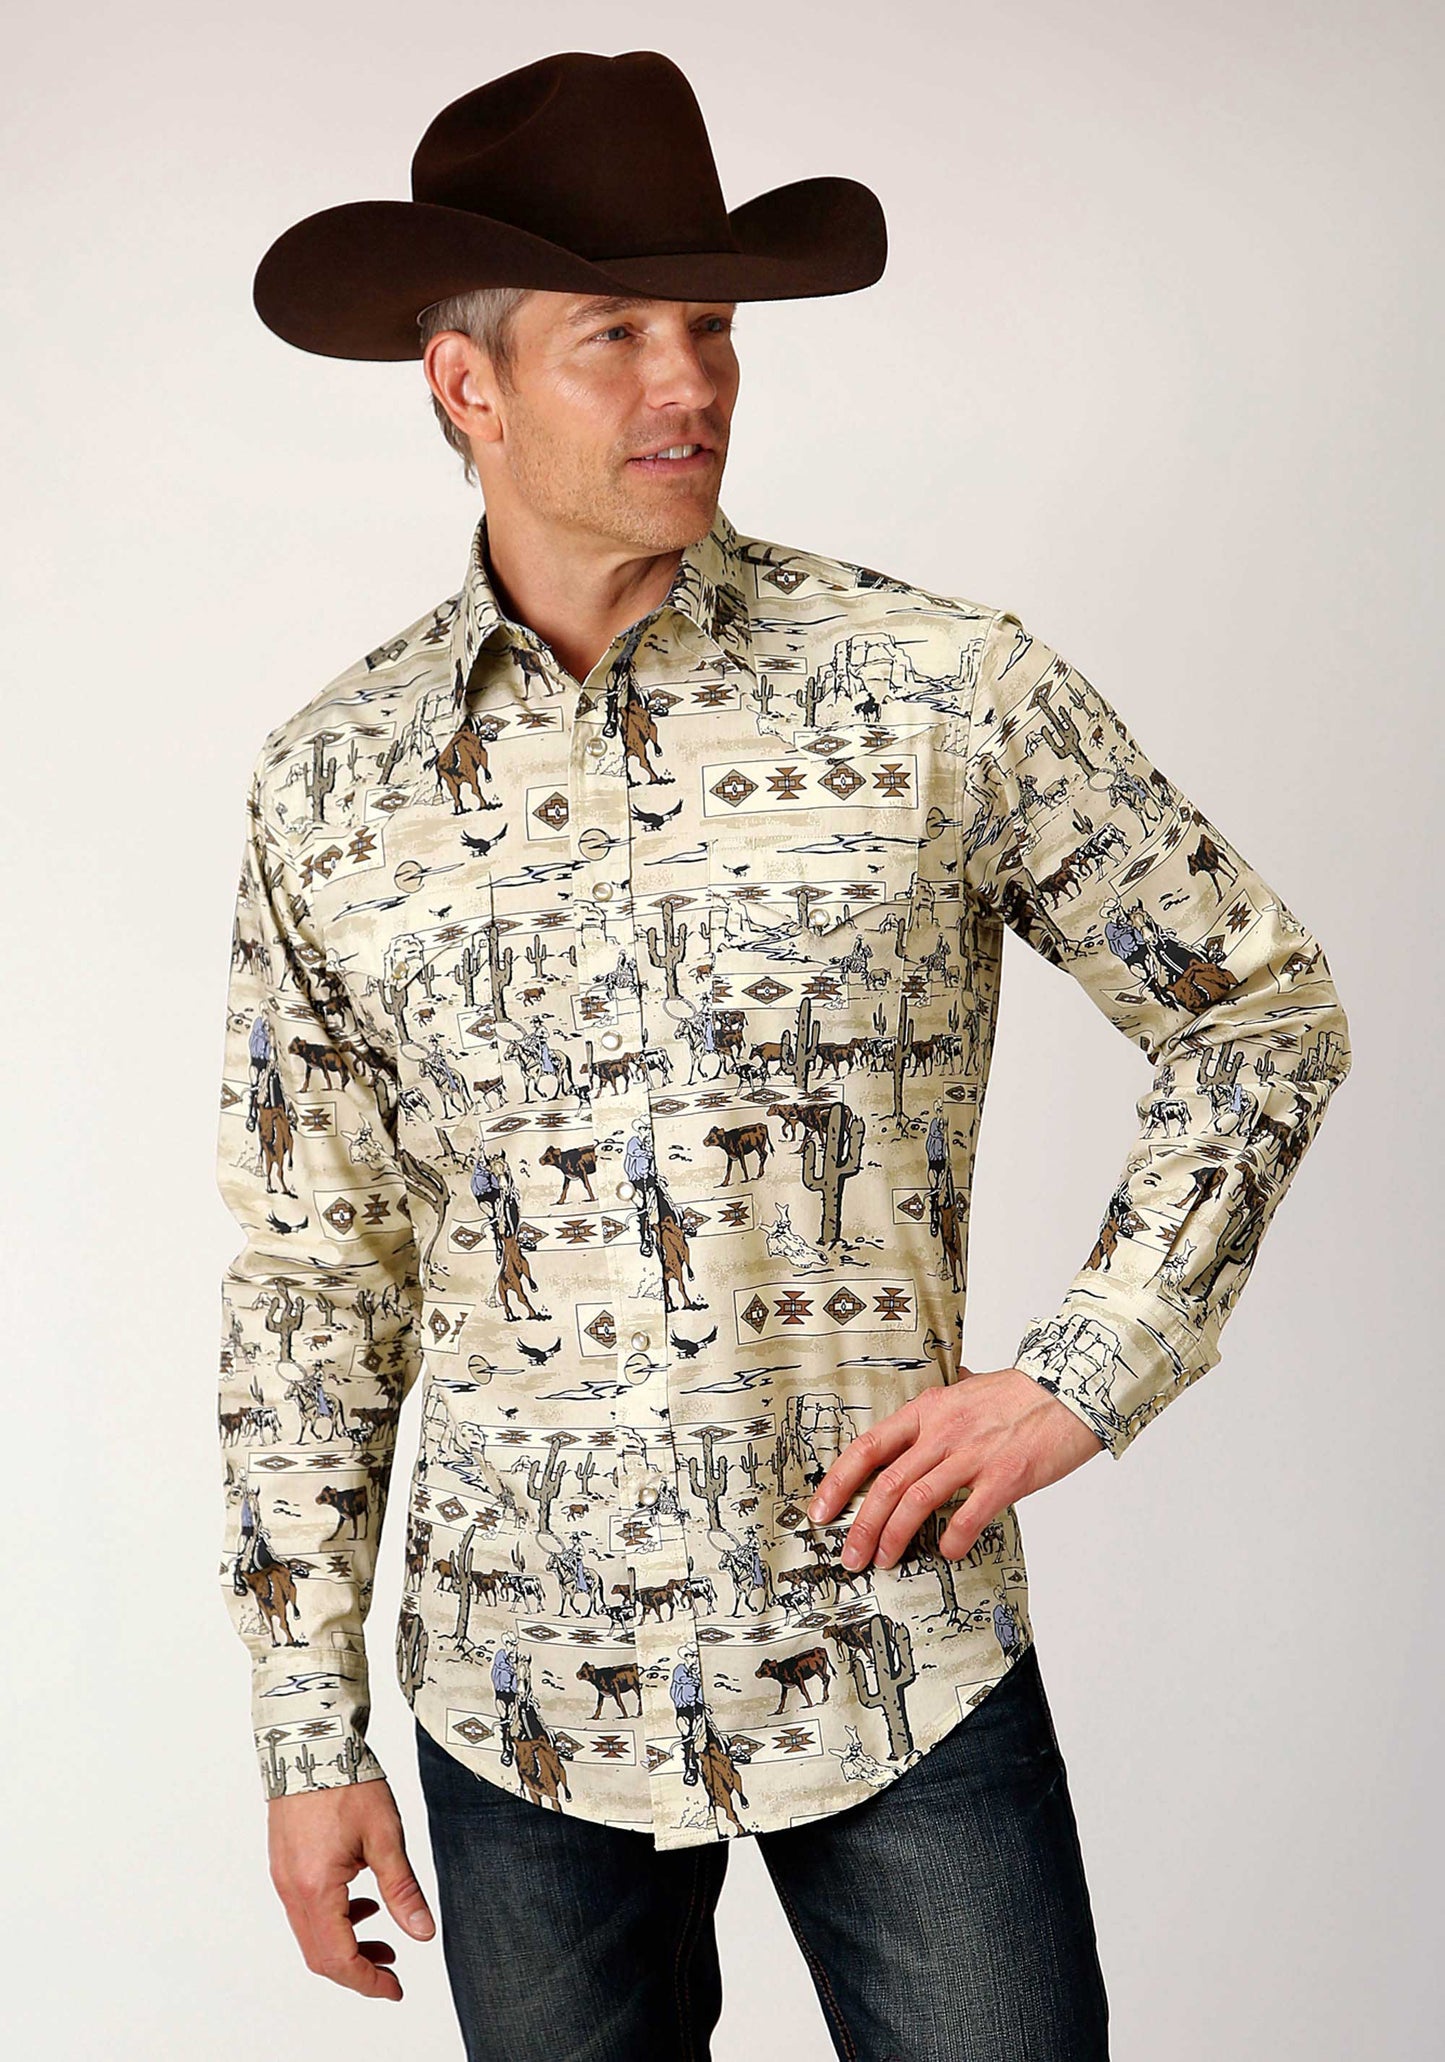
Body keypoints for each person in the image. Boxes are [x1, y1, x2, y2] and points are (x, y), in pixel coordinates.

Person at [219, 49, 1351, 2061]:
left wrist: (1089, 1366)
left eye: (714, 326)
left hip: (893, 1652)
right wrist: (309, 1728)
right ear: (466, 383)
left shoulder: (942, 691)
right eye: (616, 334)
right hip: (518, 1696)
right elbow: (316, 1271)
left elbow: (1253, 1013)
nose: (692, 382)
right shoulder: (332, 784)